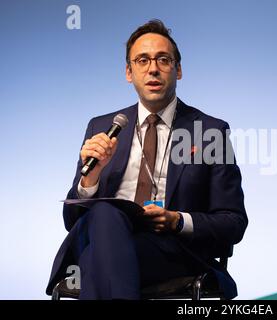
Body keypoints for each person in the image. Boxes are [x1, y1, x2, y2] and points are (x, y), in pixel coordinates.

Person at [45, 19, 247, 299]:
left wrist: (177, 220)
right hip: (108, 241)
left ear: (178, 70)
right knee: (104, 218)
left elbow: (233, 223)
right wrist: (90, 178)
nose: (153, 68)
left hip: (171, 252)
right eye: (142, 60)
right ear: (129, 72)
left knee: (97, 259)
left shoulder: (209, 132)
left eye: (163, 60)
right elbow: (71, 221)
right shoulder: (102, 127)